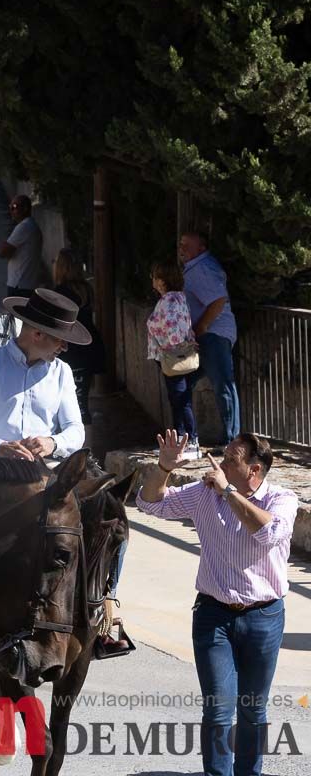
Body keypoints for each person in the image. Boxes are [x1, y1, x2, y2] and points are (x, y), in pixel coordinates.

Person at [137, 431, 297, 776]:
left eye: (230, 460)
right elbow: (150, 503)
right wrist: (164, 467)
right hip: (213, 614)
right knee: (218, 709)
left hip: (264, 617)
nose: (219, 464)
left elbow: (267, 533)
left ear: (253, 470)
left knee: (253, 709)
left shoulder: (282, 499)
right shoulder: (203, 494)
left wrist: (228, 491)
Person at [0, 288, 86, 460]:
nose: (65, 347)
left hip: (42, 471)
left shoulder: (62, 372)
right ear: (37, 334)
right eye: (60, 339)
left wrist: (52, 443)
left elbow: (75, 429)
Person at [179, 231, 240, 446]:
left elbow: (218, 299)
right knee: (184, 383)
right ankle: (187, 436)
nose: (182, 249)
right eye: (181, 245)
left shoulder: (203, 268)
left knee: (222, 385)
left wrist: (202, 326)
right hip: (206, 335)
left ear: (202, 248)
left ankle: (232, 441)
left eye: (187, 245)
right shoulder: (197, 268)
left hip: (213, 334)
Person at [148, 259, 200, 457]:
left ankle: (191, 441)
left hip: (173, 356)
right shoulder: (178, 297)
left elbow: (173, 329)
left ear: (162, 280)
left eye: (154, 276)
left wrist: (167, 346)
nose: (152, 280)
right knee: (178, 398)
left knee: (180, 399)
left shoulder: (169, 300)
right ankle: (180, 441)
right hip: (177, 354)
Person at [52, 248, 105, 425]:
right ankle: (87, 445)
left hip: (69, 350)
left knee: (67, 403)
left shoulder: (59, 292)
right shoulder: (86, 289)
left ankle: (77, 445)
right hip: (88, 347)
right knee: (82, 403)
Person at [0, 194, 45, 299]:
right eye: (10, 207)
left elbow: (3, 252)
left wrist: (5, 245)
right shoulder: (30, 225)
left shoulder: (24, 227)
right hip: (27, 283)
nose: (11, 210)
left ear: (25, 209)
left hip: (19, 285)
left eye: (14, 207)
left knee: (17, 314)